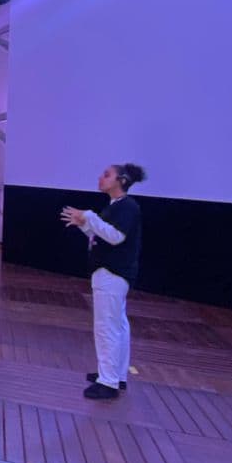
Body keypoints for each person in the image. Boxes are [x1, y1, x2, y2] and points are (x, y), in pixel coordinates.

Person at [62, 162, 147, 400]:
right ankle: (115, 375)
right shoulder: (116, 207)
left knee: (106, 327)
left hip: (112, 273)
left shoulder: (127, 207)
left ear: (121, 180)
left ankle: (107, 381)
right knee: (117, 325)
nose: (101, 178)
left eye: (107, 175)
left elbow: (115, 237)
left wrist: (88, 216)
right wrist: (85, 225)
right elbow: (102, 234)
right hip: (112, 273)